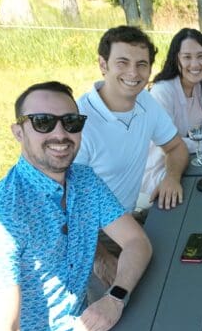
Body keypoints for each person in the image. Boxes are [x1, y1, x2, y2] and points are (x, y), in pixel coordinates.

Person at [0, 82, 152, 331]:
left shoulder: (84, 181)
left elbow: (137, 242)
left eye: (71, 122)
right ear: (19, 131)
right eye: (43, 122)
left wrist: (114, 297)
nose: (61, 133)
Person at [75, 25, 189, 213]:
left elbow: (176, 147)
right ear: (103, 65)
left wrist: (171, 178)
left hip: (130, 213)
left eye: (141, 64)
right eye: (123, 62)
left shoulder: (145, 100)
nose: (133, 73)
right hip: (94, 229)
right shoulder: (78, 122)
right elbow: (66, 202)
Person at [141, 28, 202, 196]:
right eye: (187, 57)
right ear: (176, 59)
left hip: (189, 159)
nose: (195, 64)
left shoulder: (201, 83)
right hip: (160, 167)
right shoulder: (162, 91)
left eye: (200, 56)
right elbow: (170, 144)